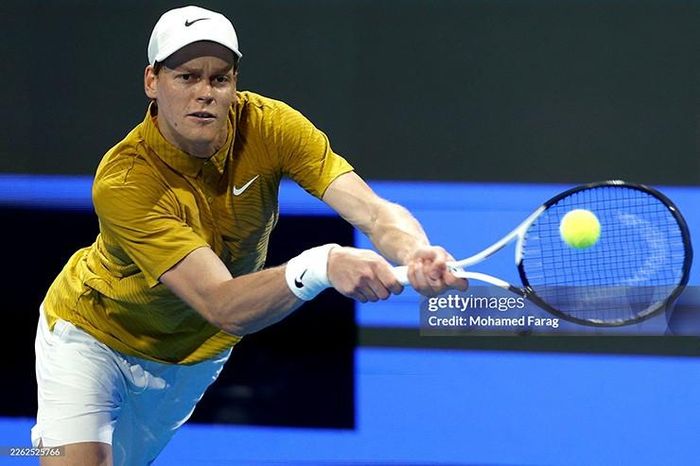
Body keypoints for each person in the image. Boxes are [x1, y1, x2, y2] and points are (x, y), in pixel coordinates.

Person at [32, 5, 467, 465]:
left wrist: (415, 250)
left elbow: (374, 212)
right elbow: (222, 304)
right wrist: (321, 265)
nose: (205, 93)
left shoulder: (270, 126)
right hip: (95, 337)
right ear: (152, 82)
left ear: (234, 83)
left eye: (219, 78)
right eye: (186, 77)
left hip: (192, 360)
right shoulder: (126, 181)